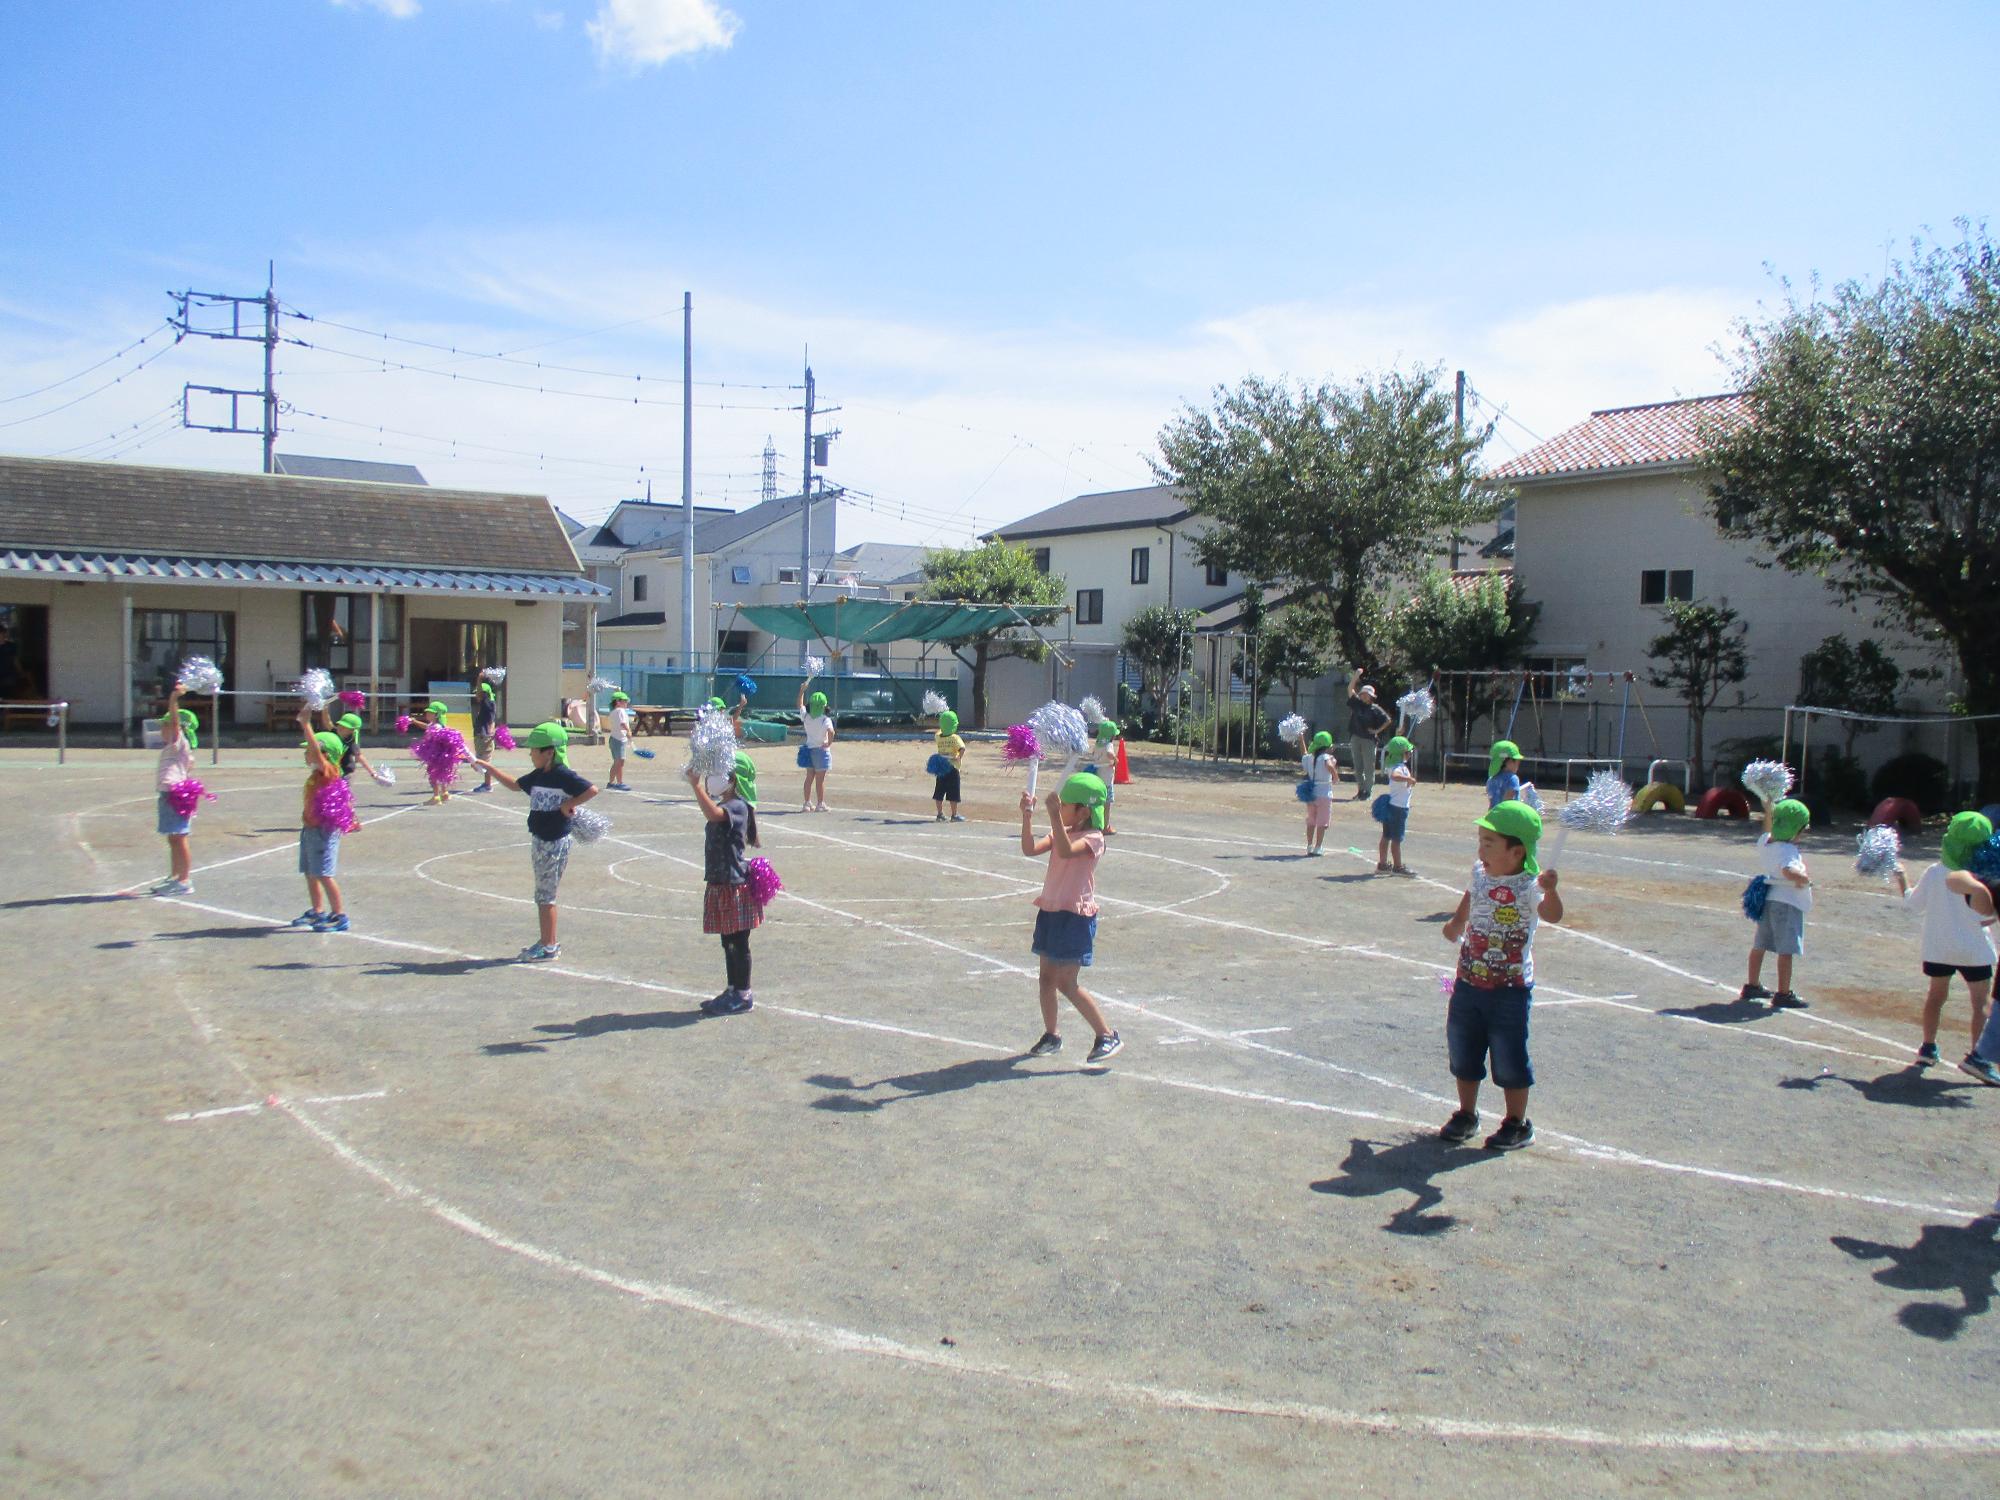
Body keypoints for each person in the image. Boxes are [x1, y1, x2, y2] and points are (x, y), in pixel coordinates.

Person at [1439, 800, 1563, 1151]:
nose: (1481, 849)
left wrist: (1551, 889)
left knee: (1509, 1055)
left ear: (1517, 851)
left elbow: (1552, 915)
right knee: (1463, 1048)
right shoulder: (1480, 872)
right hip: (1467, 981)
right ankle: (1466, 1113)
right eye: (1480, 840)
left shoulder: (1529, 886)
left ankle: (1517, 1122)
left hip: (1510, 989)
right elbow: (1471, 893)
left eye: (1490, 843)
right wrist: (1458, 921)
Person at [472, 722, 598, 962]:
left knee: (546, 896)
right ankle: (546, 941)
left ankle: (549, 946)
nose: (530, 754)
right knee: (542, 894)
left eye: (534, 750)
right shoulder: (539, 775)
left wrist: (568, 804)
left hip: (554, 841)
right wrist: (489, 767)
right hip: (540, 839)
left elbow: (591, 790)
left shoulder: (563, 775)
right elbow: (515, 785)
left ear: (549, 752)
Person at [1019, 772, 1122, 1063]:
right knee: (1046, 978)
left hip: (1075, 916)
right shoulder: (1062, 830)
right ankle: (1052, 1035)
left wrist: (1052, 816)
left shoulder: (1094, 838)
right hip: (1051, 911)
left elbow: (1065, 851)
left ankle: (1106, 1035)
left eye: (1065, 805)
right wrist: (1027, 817)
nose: (1060, 808)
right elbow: (1029, 850)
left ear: (1084, 811)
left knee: (1066, 981)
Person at [1892, 811, 1996, 1066]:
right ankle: (1978, 1057)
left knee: (1936, 997)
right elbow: (1988, 916)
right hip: (1975, 949)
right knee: (1981, 1003)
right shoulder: (1983, 879)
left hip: (1939, 948)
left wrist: (1902, 877)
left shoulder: (1935, 872)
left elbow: (1913, 904)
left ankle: (1927, 1047)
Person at [689, 751, 762, 1014]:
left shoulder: (738, 806)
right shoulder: (728, 804)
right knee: (727, 941)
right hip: (722, 882)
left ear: (732, 779)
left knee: (738, 942)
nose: (711, 778)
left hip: (735, 885)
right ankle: (732, 989)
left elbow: (714, 815)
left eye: (716, 773)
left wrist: (696, 786)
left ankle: (744, 994)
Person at [1741, 797, 1812, 1009]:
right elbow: (1788, 870)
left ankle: (1752, 984)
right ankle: (1783, 992)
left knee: (1760, 944)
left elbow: (1766, 829)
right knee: (1786, 949)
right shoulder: (1787, 850)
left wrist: (1768, 809)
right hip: (1786, 902)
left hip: (1770, 900)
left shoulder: (1767, 843)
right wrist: (1803, 879)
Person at [290, 706, 350, 933]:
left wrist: (306, 724)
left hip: (322, 832)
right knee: (311, 872)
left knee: (324, 874)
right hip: (310, 830)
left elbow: (317, 753)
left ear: (324, 755)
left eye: (310, 751)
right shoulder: (316, 774)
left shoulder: (330, 772)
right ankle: (317, 910)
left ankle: (340, 915)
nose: (306, 755)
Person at [151, 687, 199, 897]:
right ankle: (174, 876)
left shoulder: (178, 743)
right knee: (173, 838)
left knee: (179, 837)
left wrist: (173, 698)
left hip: (174, 796)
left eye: (165, 726)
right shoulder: (175, 749)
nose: (162, 730)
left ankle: (184, 880)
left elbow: (176, 721)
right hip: (167, 795)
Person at [1374, 735, 1416, 875]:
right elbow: (1395, 776)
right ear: (1402, 753)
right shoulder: (1398, 768)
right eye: (1408, 751)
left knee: (1386, 836)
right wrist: (1409, 778)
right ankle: (1398, 867)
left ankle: (1382, 864)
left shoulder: (1394, 765)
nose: (1410, 753)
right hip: (1399, 808)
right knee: (1396, 839)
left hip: (1394, 805)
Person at [1346, 680, 1391, 800]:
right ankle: (1360, 790)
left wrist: (1376, 731)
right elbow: (1350, 689)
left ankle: (1368, 791)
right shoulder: (1357, 704)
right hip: (1355, 737)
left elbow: (1387, 720)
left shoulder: (1375, 708)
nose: (1363, 696)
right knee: (1358, 766)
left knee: (1369, 767)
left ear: (1371, 696)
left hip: (1369, 740)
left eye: (1366, 694)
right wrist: (1356, 676)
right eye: (1362, 694)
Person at [798, 685, 836, 811]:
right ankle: (820, 803)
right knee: (820, 780)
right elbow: (831, 732)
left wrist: (802, 691)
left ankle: (807, 802)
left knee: (809, 778)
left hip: (808, 750)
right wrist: (829, 743)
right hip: (821, 751)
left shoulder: (806, 717)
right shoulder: (825, 719)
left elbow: (800, 705)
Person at [1083, 718, 1123, 836]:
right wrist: (1115, 760)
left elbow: (1094, 754)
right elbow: (1109, 753)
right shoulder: (1108, 744)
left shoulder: (1097, 744)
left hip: (1097, 775)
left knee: (1094, 801)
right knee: (1107, 803)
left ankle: (1090, 823)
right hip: (1106, 778)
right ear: (1111, 736)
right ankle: (1105, 826)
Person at [1301, 730, 1337, 856]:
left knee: (1311, 820)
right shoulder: (1327, 757)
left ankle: (1309, 845)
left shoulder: (1309, 758)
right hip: (1324, 794)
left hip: (1311, 793)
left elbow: (1304, 753)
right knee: (1322, 822)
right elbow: (1329, 765)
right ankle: (1318, 846)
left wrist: (1301, 738)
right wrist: (1335, 777)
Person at [932, 707, 967, 822]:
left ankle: (940, 814)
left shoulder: (938, 737)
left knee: (939, 791)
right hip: (952, 768)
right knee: (953, 792)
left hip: (941, 768)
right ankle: (954, 814)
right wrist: (958, 756)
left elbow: (939, 732)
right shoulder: (955, 738)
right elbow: (962, 748)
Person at [471, 677, 499, 792]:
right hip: (482, 736)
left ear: (484, 694)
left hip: (484, 737)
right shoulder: (487, 705)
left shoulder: (488, 703)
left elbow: (491, 720)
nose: (476, 696)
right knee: (480, 762)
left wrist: (479, 679)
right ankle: (487, 784)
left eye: (478, 693)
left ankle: (488, 785)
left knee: (484, 763)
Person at [605, 690, 633, 790]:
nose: (626, 703)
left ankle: (612, 782)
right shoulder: (619, 711)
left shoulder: (614, 712)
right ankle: (619, 782)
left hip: (615, 738)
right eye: (624, 701)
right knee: (620, 762)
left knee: (617, 762)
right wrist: (629, 731)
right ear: (618, 702)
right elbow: (623, 723)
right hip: (618, 739)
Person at [1486, 740, 1524, 808]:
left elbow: (1492, 801)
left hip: (1494, 814)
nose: (1518, 765)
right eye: (1517, 762)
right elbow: (1509, 799)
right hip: (1508, 815)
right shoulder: (1513, 778)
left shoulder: (1491, 779)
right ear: (1508, 762)